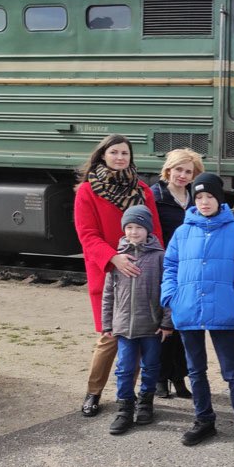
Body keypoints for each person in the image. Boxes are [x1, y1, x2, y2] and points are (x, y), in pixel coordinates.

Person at [161, 172, 234, 450]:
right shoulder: (183, 231)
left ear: (219, 199)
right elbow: (170, 267)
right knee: (196, 370)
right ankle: (204, 420)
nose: (204, 202)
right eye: (199, 197)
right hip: (188, 307)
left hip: (223, 309)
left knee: (233, 371)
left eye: (210, 196)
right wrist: (172, 297)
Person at [74, 134, 163, 418]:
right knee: (110, 337)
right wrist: (113, 257)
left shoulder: (143, 190)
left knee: (136, 339)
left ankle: (129, 396)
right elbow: (87, 235)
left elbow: (156, 232)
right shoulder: (87, 192)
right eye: (114, 152)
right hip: (110, 272)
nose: (120, 157)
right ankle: (93, 392)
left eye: (125, 153)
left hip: (142, 272)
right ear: (102, 156)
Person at [101, 206, 172, 435]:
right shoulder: (117, 257)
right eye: (129, 227)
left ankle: (145, 402)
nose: (133, 232)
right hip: (123, 326)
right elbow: (108, 293)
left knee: (150, 366)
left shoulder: (159, 257)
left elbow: (169, 291)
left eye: (139, 227)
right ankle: (124, 408)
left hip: (151, 326)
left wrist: (166, 322)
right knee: (124, 368)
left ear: (148, 230)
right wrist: (107, 323)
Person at [150, 148, 204, 399]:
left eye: (188, 171)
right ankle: (160, 378)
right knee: (163, 324)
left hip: (191, 269)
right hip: (165, 267)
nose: (182, 175)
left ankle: (179, 377)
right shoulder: (154, 196)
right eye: (178, 169)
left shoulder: (196, 198)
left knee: (185, 325)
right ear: (168, 169)